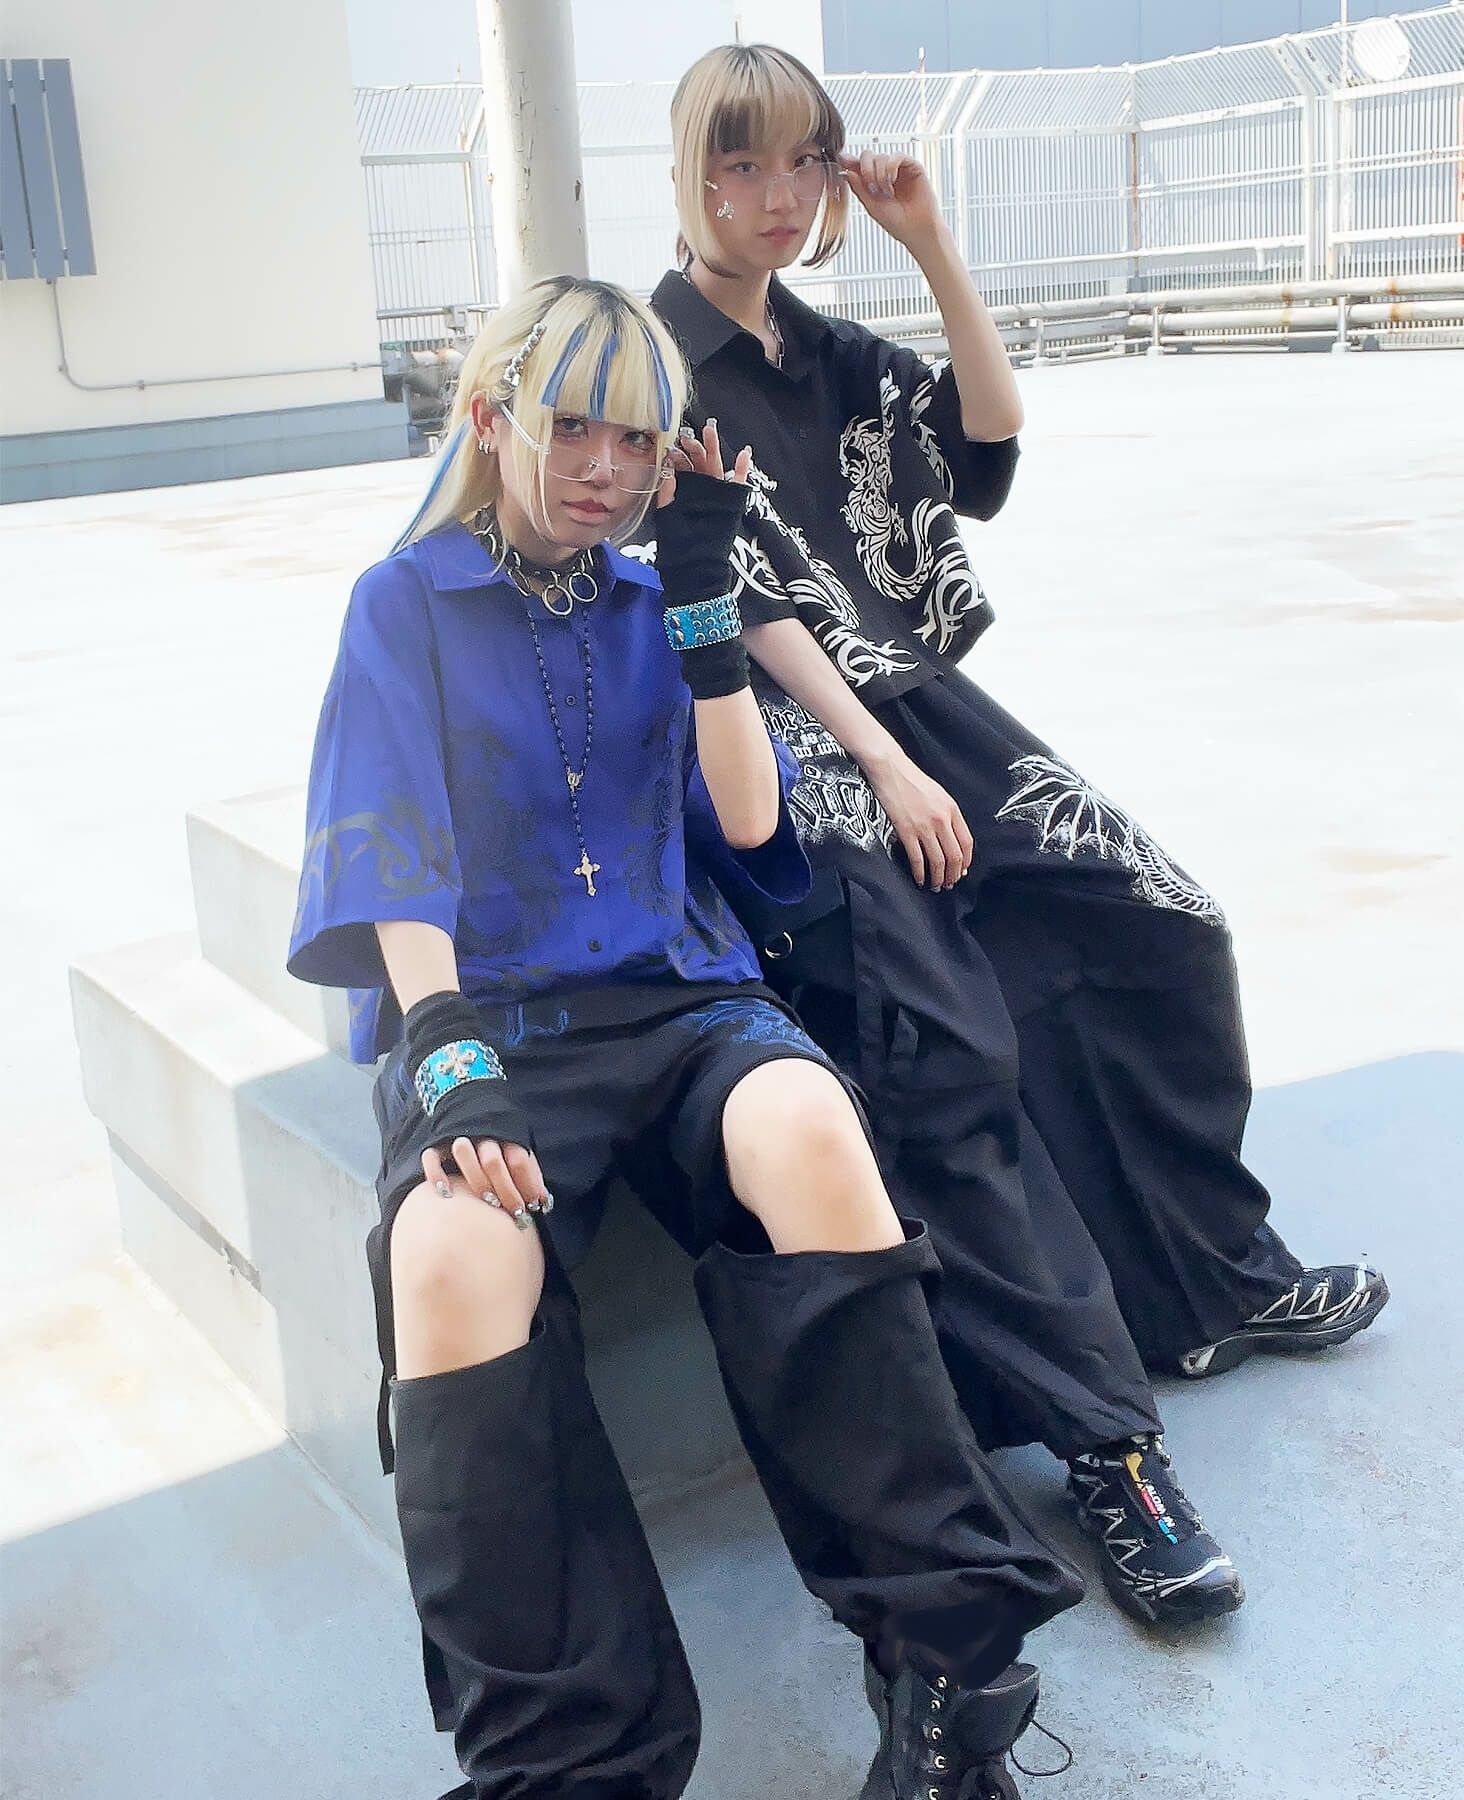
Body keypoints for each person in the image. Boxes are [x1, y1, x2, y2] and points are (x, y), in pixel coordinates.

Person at [287, 275, 1084, 1800]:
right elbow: (386, 836)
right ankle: (571, 1759)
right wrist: (443, 1043)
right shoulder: (403, 603)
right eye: (575, 427)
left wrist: (711, 611)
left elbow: (746, 822)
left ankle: (947, 1675)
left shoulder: (661, 598)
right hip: (497, 1018)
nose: (607, 467)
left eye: (639, 439)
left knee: (811, 1127)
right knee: (449, 1252)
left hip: (680, 994)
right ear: (492, 419)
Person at [640, 42, 1390, 1626]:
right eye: (739, 166)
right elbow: (736, 599)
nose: (774, 198)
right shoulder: (659, 360)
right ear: (689, 174)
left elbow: (981, 454)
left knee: (1155, 913)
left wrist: (929, 245)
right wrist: (882, 764)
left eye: (802, 165)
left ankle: (1212, 1284)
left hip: (915, 712)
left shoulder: (817, 346)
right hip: (782, 741)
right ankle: (1113, 1457)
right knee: (945, 1048)